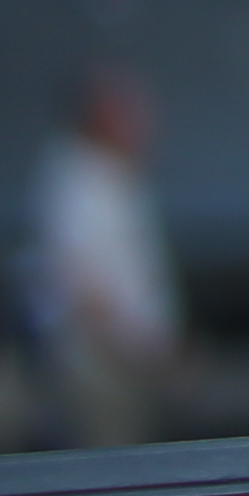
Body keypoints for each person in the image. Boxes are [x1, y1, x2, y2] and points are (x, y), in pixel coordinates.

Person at [20, 66, 182, 448]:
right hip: (104, 367)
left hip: (129, 365)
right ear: (103, 117)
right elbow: (86, 290)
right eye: (131, 112)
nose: (145, 123)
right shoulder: (77, 185)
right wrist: (145, 351)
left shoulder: (114, 178)